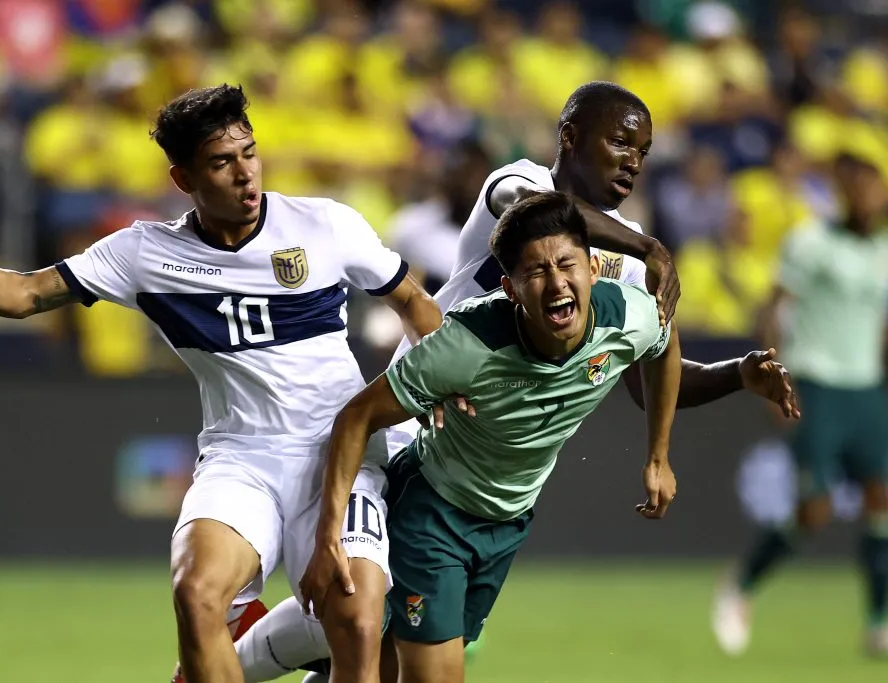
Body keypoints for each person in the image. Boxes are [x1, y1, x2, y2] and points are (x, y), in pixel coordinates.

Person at [229, 80, 799, 683]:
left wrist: (735, 374)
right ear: (571, 137)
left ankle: (230, 663)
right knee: (358, 613)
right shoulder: (517, 183)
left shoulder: (628, 268)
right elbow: (535, 215)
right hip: (403, 437)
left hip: (483, 471)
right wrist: (653, 246)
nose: (634, 160)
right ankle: (223, 665)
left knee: (383, 644)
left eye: (645, 151)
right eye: (621, 142)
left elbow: (649, 372)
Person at [0, 84, 444, 683]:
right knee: (196, 595)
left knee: (356, 621)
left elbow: (416, 304)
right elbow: (28, 293)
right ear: (183, 178)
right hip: (242, 460)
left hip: (342, 454)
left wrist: (441, 389)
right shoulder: (145, 254)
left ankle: (298, 642)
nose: (246, 174)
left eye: (250, 153)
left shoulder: (324, 225)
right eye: (222, 162)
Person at [300, 191, 682, 683]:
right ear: (511, 288)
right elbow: (356, 417)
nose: (556, 282)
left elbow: (666, 342)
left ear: (591, 268)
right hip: (433, 514)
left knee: (382, 661)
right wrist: (328, 533)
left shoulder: (629, 316)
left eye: (567, 264)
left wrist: (659, 455)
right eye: (536, 272)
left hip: (507, 522)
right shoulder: (466, 344)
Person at [712, 150, 888, 658]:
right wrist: (774, 377)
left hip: (866, 389)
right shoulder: (809, 243)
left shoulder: (880, 249)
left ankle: (877, 623)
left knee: (881, 504)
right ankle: (740, 585)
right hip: (818, 386)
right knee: (816, 509)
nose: (868, 199)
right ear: (845, 194)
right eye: (860, 190)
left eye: (875, 191)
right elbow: (772, 310)